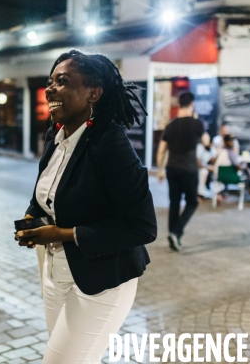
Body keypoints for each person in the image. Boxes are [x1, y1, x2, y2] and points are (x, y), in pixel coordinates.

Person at [14, 50, 156, 364]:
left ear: (93, 92)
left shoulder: (111, 144)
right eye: (50, 81)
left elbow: (142, 226)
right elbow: (44, 194)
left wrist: (64, 233)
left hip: (102, 280)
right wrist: (30, 218)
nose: (50, 88)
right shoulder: (56, 136)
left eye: (61, 82)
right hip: (54, 273)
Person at [157, 92, 204, 252]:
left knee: (174, 202)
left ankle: (172, 234)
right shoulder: (197, 123)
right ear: (192, 105)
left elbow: (161, 151)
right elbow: (207, 141)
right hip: (189, 169)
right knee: (192, 202)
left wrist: (160, 170)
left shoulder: (170, 125)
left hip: (172, 168)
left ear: (178, 105)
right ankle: (176, 232)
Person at [196, 132, 216, 198]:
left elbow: (214, 162)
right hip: (197, 167)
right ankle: (200, 194)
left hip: (207, 167)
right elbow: (199, 164)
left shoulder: (212, 149)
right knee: (203, 172)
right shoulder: (199, 147)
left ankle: (218, 193)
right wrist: (208, 167)